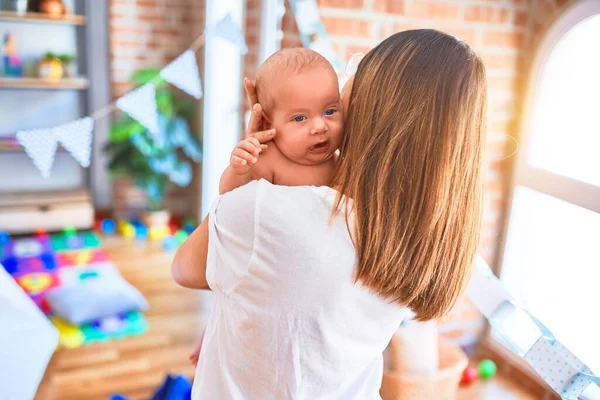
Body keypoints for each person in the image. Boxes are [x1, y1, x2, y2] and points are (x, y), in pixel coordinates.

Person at [172, 29, 487, 399]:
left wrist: (258, 168)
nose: (345, 76)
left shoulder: (267, 209)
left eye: (357, 67)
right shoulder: (418, 238)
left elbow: (185, 268)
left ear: (377, 102)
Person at [189, 47, 344, 365]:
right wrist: (240, 168)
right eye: (299, 118)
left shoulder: (342, 163)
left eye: (330, 110)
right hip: (262, 268)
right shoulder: (269, 157)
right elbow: (228, 203)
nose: (319, 126)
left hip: (307, 274)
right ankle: (211, 334)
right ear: (267, 123)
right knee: (236, 311)